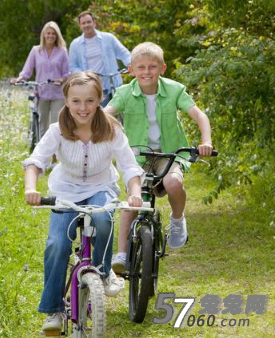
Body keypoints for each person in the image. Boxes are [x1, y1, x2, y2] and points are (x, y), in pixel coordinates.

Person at [23, 71, 145, 333]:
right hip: (66, 191)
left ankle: (102, 272)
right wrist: (31, 188)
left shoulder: (111, 129)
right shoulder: (58, 131)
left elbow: (129, 167)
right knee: (57, 243)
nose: (83, 107)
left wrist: (134, 192)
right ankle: (53, 308)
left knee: (103, 218)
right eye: (76, 101)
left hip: (100, 187)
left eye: (89, 101)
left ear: (100, 99)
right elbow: (35, 161)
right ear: (66, 101)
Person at [104, 42, 213, 274]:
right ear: (131, 70)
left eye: (152, 66)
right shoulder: (124, 93)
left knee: (173, 182)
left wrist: (206, 142)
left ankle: (177, 220)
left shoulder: (174, 90)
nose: (146, 72)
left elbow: (199, 115)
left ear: (162, 68)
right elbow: (106, 114)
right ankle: (121, 253)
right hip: (137, 155)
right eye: (140, 67)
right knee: (133, 198)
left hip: (170, 153)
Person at [13, 21, 69, 137]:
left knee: (56, 125)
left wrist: (61, 79)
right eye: (48, 33)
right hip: (41, 93)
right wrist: (20, 79)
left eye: (53, 33)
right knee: (42, 125)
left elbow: (67, 73)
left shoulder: (62, 51)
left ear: (57, 35)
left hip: (57, 94)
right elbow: (27, 70)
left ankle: (56, 154)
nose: (51, 36)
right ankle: (43, 153)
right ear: (44, 34)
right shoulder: (35, 50)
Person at [69, 11, 130, 107]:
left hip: (113, 84)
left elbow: (124, 53)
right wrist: (85, 75)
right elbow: (73, 67)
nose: (86, 25)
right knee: (99, 116)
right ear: (80, 26)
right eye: (83, 23)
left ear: (94, 22)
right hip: (91, 87)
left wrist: (132, 65)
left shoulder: (108, 38)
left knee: (121, 113)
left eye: (89, 22)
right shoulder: (75, 44)